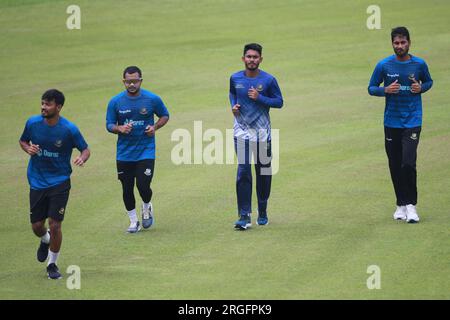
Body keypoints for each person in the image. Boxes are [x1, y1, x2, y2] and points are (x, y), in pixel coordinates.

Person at [19, 89, 90, 279]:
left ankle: (52, 264)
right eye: (42, 103)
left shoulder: (69, 129)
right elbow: (23, 140)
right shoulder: (32, 123)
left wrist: (82, 159)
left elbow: (85, 149)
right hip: (36, 180)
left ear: (58, 107)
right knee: (36, 226)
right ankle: (45, 239)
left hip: (59, 182)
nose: (43, 107)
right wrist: (28, 149)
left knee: (55, 224)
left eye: (48, 104)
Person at [368, 26, 433, 223]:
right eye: (396, 43)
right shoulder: (384, 65)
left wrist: (421, 87)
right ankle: (400, 205)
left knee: (408, 163)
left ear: (409, 43)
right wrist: (385, 90)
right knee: (395, 165)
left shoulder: (419, 64)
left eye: (403, 42)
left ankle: (411, 206)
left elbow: (429, 82)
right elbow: (371, 88)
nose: (400, 46)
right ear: (392, 44)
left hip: (413, 120)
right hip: (391, 122)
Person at [106, 66, 169, 233]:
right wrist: (119, 129)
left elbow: (164, 115)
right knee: (126, 188)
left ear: (141, 80)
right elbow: (109, 124)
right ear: (123, 81)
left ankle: (147, 206)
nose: (131, 84)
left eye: (134, 81)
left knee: (143, 185)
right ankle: (134, 221)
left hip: (146, 150)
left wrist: (154, 127)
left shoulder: (152, 99)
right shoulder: (115, 102)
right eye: (128, 81)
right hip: (124, 154)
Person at [229, 43, 284, 230]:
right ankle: (244, 215)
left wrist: (259, 98)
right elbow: (232, 94)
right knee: (243, 171)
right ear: (243, 58)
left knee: (263, 172)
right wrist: (234, 106)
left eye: (255, 57)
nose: (251, 60)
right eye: (248, 56)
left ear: (260, 59)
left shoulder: (269, 80)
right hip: (241, 132)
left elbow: (279, 102)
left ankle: (263, 210)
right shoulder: (235, 78)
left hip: (262, 134)